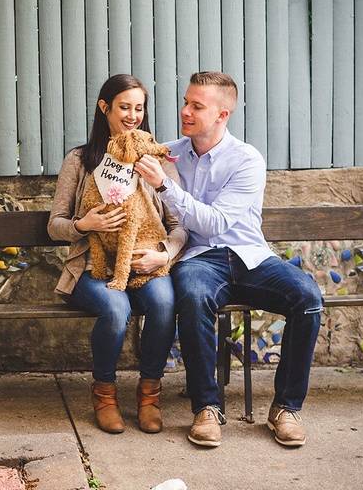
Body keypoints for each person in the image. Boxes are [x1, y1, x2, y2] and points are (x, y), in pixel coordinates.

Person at [135, 71, 323, 448]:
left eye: (196, 105)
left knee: (308, 298)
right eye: (185, 101)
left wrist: (163, 186)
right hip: (200, 258)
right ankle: (207, 407)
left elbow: (218, 221)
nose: (185, 110)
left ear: (222, 115)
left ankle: (286, 408)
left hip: (250, 256)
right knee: (191, 296)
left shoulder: (246, 159)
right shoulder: (168, 154)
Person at [48, 74, 188, 434]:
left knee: (163, 302)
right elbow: (55, 225)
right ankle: (105, 394)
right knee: (116, 306)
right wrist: (84, 224)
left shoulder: (156, 161)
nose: (132, 115)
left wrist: (164, 254)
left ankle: (149, 395)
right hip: (92, 268)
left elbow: (180, 225)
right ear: (104, 107)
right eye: (124, 107)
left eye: (139, 108)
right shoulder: (81, 160)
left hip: (146, 263)